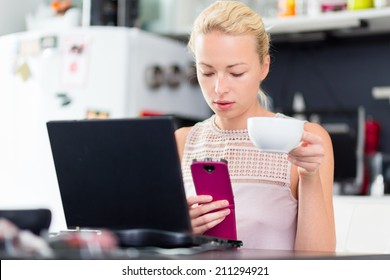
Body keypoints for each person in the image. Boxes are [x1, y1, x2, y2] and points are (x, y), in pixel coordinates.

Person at [175, 0, 336, 251]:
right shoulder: (182, 142)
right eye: (207, 72)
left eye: (236, 73)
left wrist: (310, 177)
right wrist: (180, 232)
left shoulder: (304, 139)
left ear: (264, 66)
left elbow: (318, 263)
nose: (219, 88)